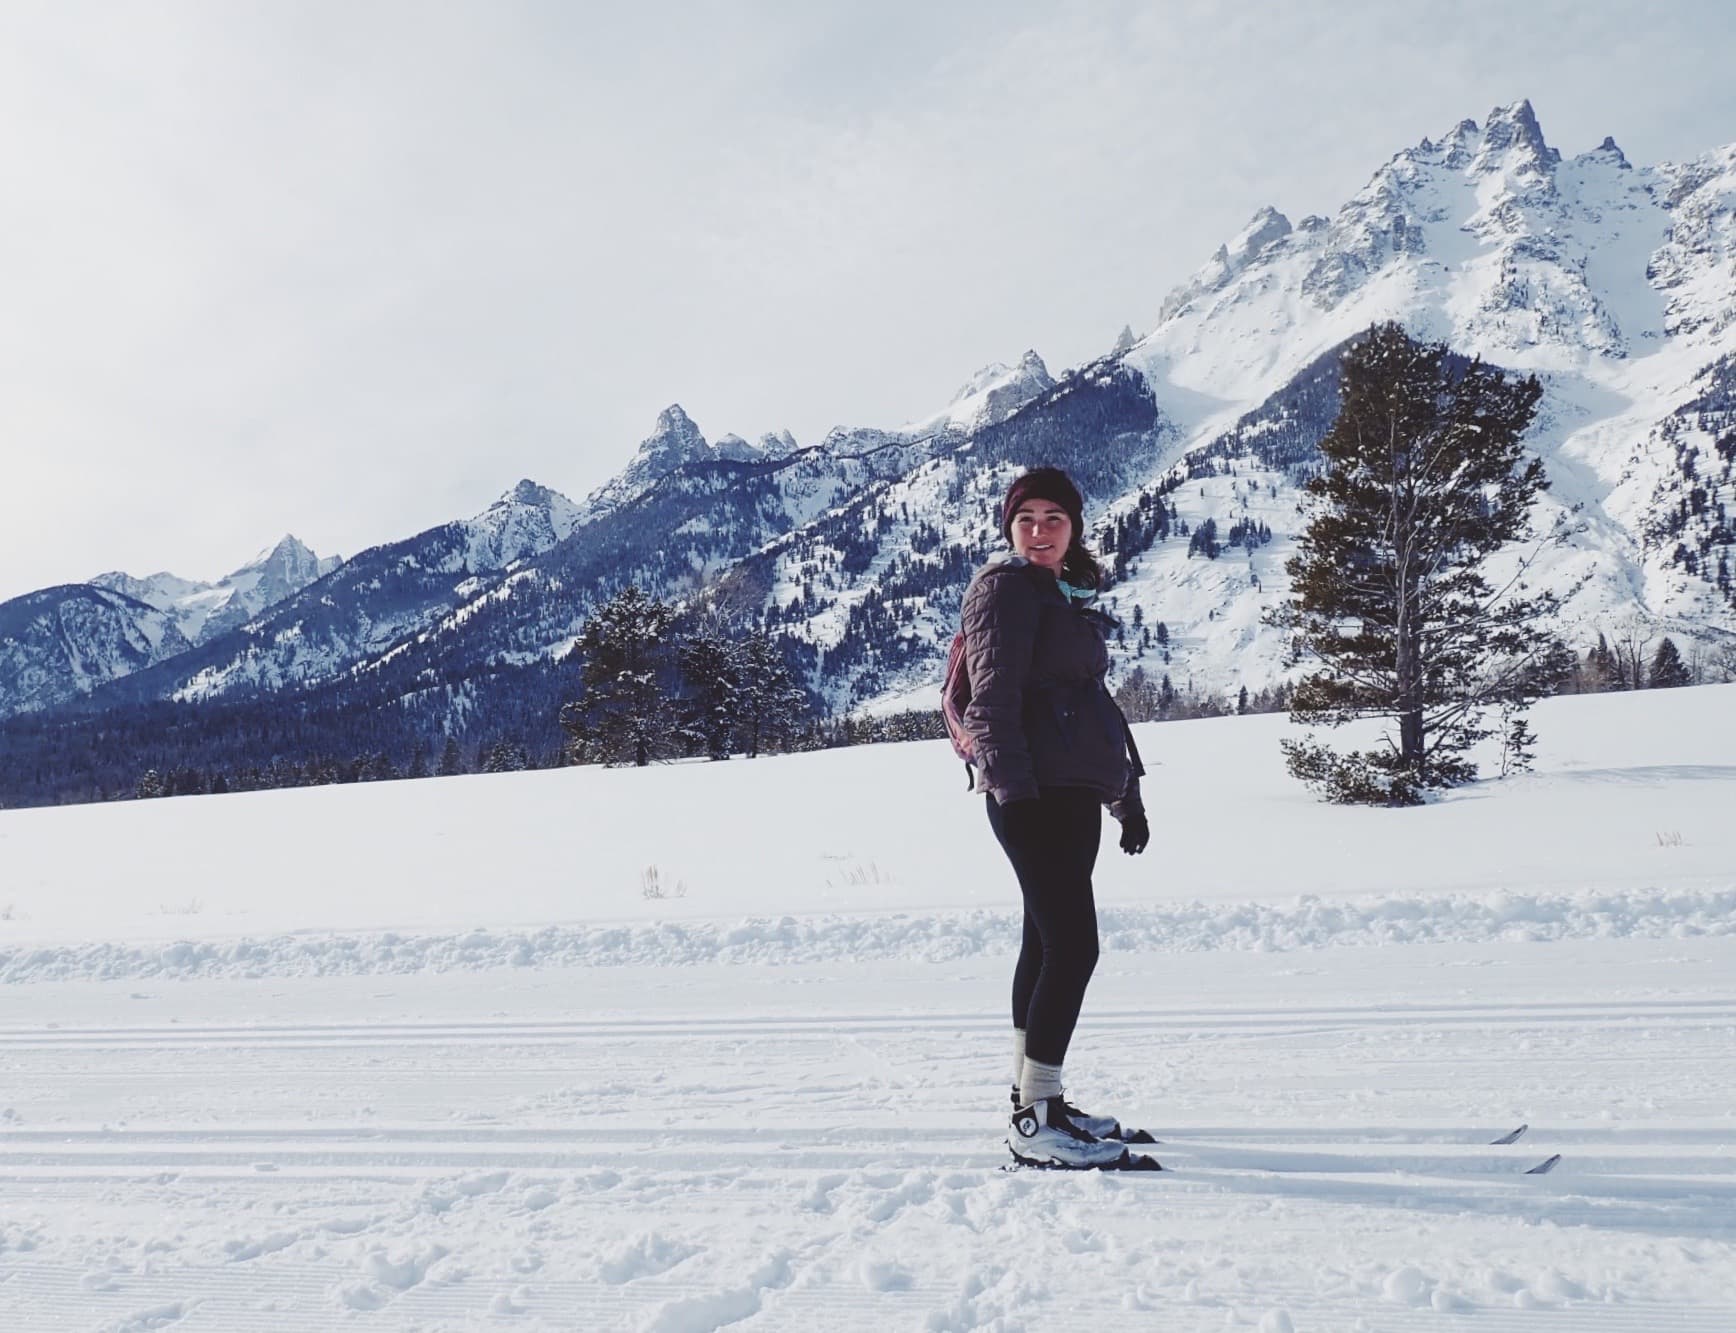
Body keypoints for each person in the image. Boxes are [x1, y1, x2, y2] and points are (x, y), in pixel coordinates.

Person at [959, 466, 1152, 1169]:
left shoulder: (1063, 596)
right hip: (1031, 793)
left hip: (1071, 790)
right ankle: (1034, 1121)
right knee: (1076, 947)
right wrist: (1015, 793)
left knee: (1045, 945)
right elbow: (992, 700)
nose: (1039, 530)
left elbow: (1091, 706)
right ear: (1010, 527)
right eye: (1026, 518)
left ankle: (1036, 1097)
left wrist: (1125, 794)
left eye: (1054, 518)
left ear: (1074, 528)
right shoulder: (1005, 590)